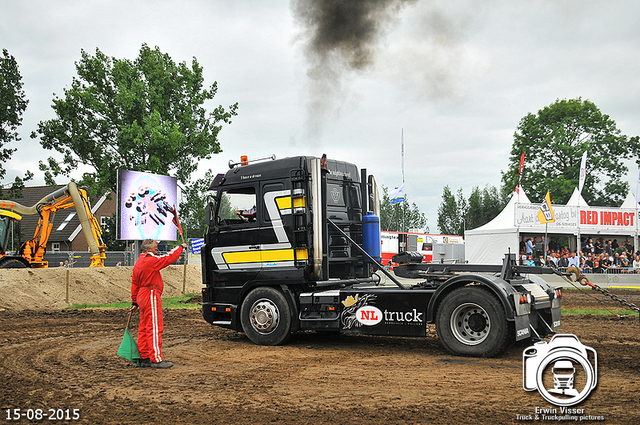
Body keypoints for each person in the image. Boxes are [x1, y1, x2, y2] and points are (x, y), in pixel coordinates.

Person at [129, 239, 187, 369]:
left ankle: (144, 357)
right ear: (149, 249)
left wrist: (134, 301)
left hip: (142, 296)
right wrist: (180, 248)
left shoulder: (139, 262)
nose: (157, 250)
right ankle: (156, 358)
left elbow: (134, 283)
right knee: (155, 327)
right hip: (151, 294)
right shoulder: (150, 261)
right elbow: (167, 258)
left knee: (144, 327)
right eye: (155, 248)